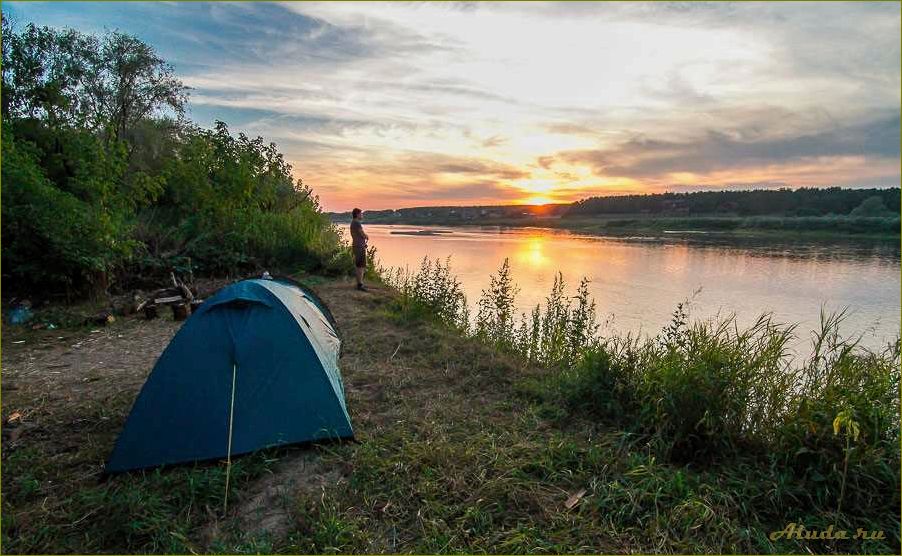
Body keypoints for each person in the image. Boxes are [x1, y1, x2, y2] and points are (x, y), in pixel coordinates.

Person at [350, 208, 369, 291]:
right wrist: (366, 236)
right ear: (357, 214)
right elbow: (362, 234)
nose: (362, 215)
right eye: (361, 214)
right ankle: (360, 284)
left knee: (359, 265)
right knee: (361, 266)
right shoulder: (357, 223)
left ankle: (359, 283)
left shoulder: (353, 223)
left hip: (357, 245)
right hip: (359, 247)